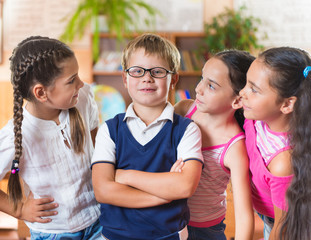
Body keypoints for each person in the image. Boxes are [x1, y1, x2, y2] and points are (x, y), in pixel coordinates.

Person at [91, 33, 203, 240]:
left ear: (173, 79)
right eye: (137, 71)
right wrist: (164, 194)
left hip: (169, 235)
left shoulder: (187, 130)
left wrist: (123, 175)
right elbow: (103, 191)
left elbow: (185, 186)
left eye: (158, 71)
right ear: (125, 79)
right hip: (114, 236)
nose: (147, 78)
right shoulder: (110, 130)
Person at [0, 36, 103, 239]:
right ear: (41, 93)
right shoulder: (16, 134)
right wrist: (19, 210)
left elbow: (98, 151)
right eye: (71, 80)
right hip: (55, 232)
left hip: (99, 220)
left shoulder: (82, 98)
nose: (81, 83)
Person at [174, 50, 255, 240]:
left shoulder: (234, 147)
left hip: (204, 229)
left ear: (237, 100)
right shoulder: (185, 109)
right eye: (202, 78)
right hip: (169, 218)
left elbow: (244, 217)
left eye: (211, 86)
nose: (198, 89)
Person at [239, 47, 311, 240]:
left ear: (287, 104)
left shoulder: (282, 162)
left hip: (282, 225)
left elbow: (282, 228)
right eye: (246, 83)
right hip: (265, 214)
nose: (242, 92)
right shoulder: (257, 117)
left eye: (254, 89)